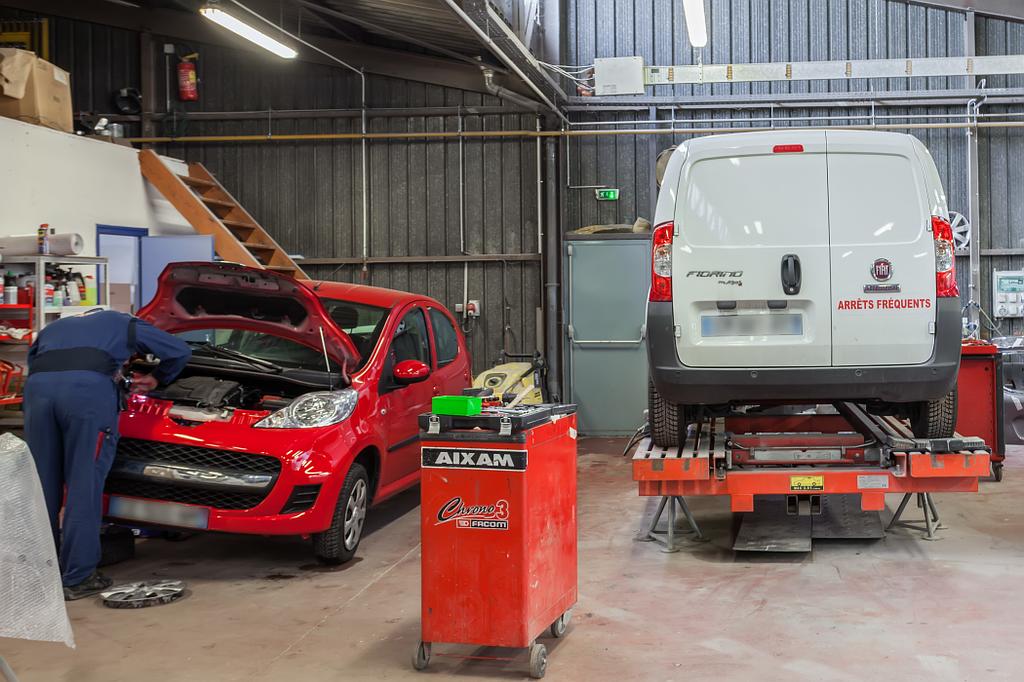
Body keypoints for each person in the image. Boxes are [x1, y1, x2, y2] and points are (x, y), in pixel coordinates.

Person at [23, 309, 191, 600]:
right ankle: (78, 577)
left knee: (41, 485)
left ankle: (39, 574)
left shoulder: (55, 328)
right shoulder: (124, 323)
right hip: (85, 394)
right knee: (83, 484)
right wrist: (155, 378)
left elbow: (35, 363)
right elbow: (179, 350)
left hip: (37, 392)